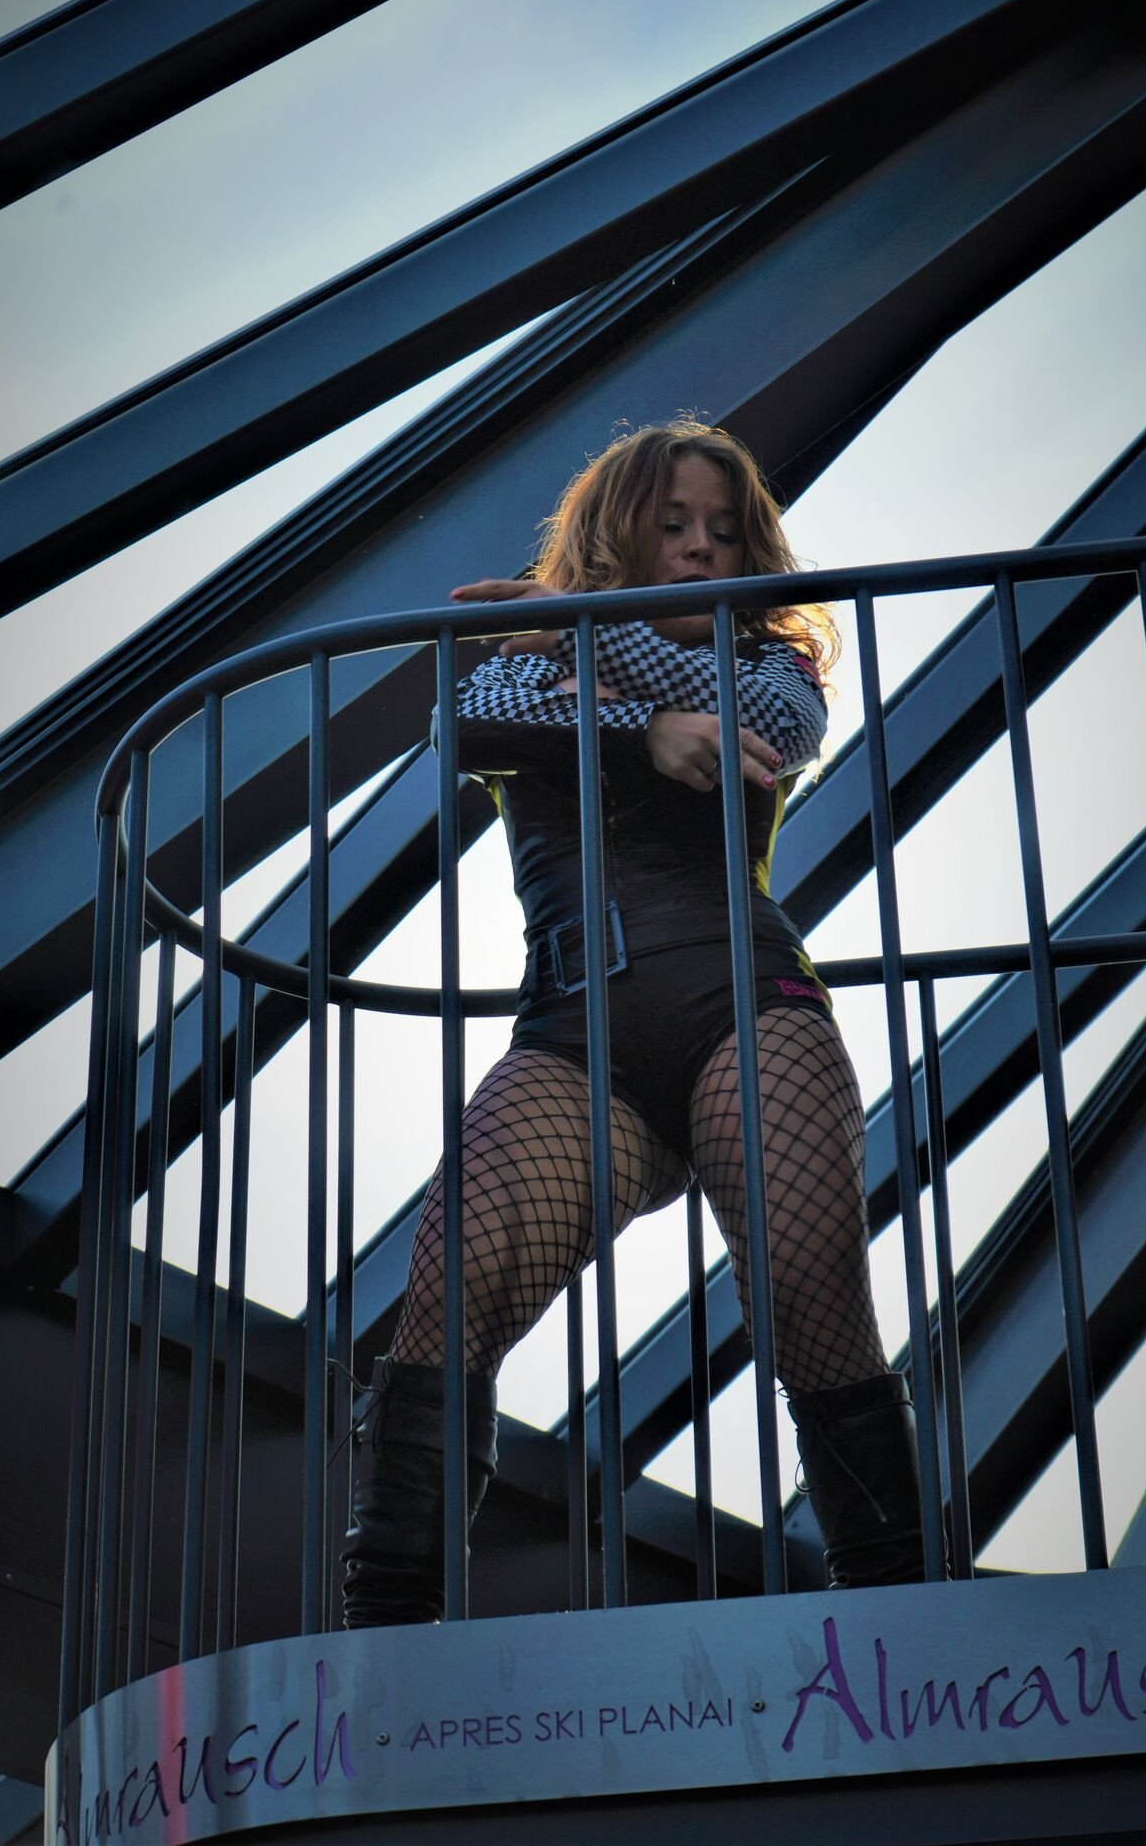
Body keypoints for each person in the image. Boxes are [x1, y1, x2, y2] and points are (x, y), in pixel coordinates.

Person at [342, 419, 924, 1627]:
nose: (703, 548)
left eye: (725, 530)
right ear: (616, 536)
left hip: (746, 1007)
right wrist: (637, 727)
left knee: (809, 1290)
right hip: (573, 1039)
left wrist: (589, 646)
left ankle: (900, 1622)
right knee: (451, 1287)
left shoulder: (771, 664)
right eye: (672, 526)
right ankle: (384, 1635)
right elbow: (471, 729)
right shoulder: (519, 662)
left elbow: (765, 732)